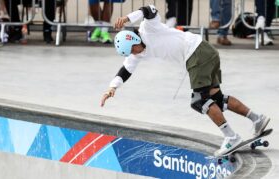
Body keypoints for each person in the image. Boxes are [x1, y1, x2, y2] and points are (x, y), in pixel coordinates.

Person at [100, 5, 271, 156]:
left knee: (200, 101)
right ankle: (257, 119)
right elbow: (125, 70)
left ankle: (231, 137)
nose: (134, 54)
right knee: (217, 99)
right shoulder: (137, 53)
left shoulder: (149, 28)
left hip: (196, 54)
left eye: (132, 50)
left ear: (134, 39)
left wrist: (128, 18)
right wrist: (112, 87)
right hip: (205, 51)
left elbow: (149, 9)